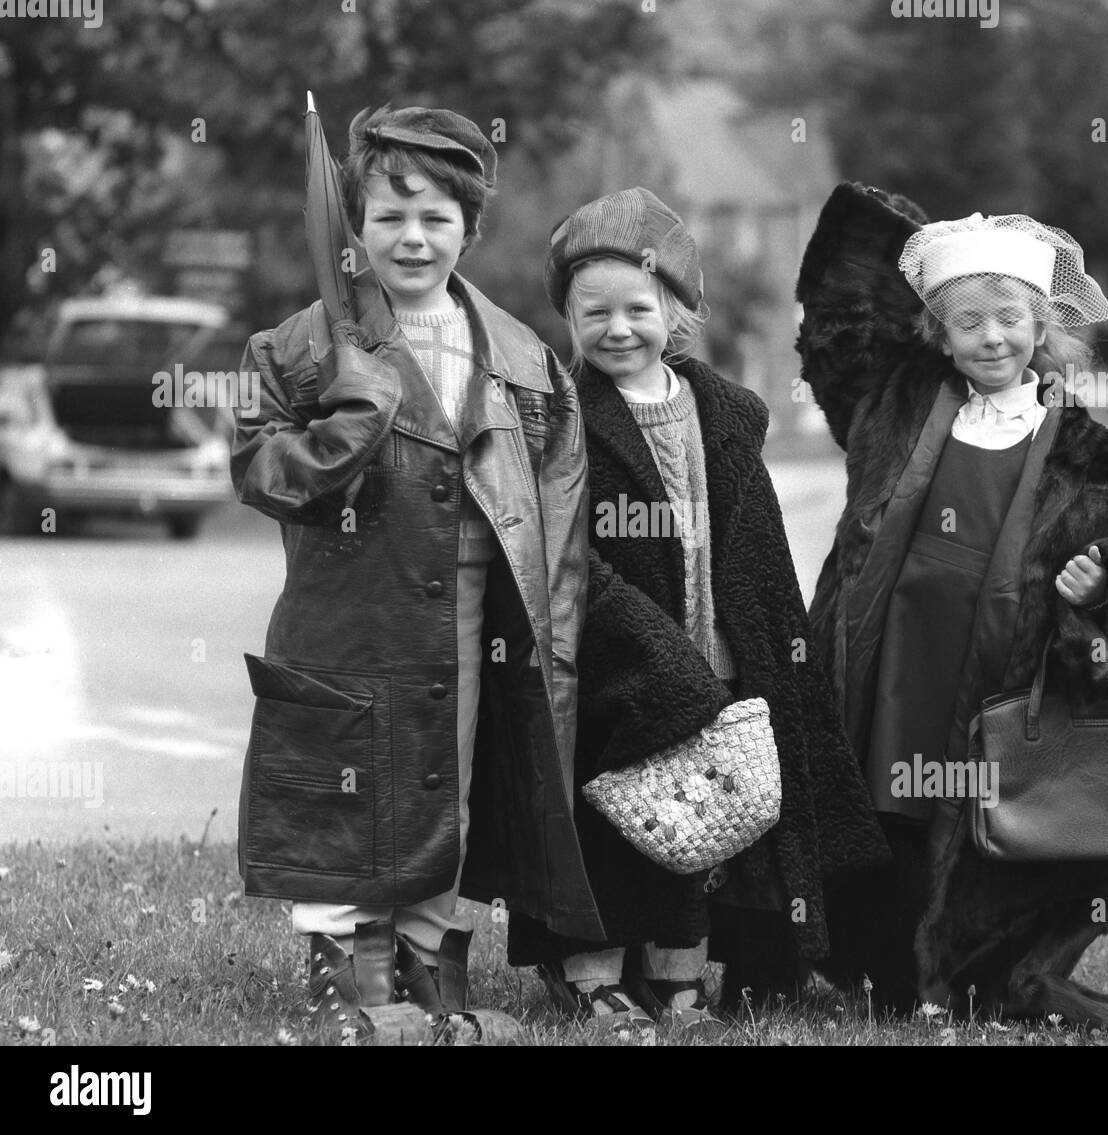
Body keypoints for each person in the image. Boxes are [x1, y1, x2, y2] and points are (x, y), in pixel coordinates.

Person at [230, 105, 601, 1037]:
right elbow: (262, 473)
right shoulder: (296, 349)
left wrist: (553, 647)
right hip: (346, 619)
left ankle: (431, 964)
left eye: (437, 216)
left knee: (450, 784)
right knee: (340, 789)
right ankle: (344, 976)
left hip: (472, 619)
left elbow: (559, 515)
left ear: (471, 229)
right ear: (355, 224)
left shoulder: (523, 358)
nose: (412, 237)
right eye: (390, 216)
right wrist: (349, 417)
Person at [506, 187, 889, 1027]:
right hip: (607, 666)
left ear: (677, 310)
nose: (617, 327)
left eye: (638, 307)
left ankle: (678, 973)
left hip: (711, 653)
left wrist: (772, 660)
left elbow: (758, 561)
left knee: (692, 819)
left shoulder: (723, 415)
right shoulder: (559, 418)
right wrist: (636, 640)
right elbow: (561, 555)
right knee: (603, 817)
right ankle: (593, 972)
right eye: (593, 310)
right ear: (568, 316)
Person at [796, 184, 1108, 1027]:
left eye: (1008, 317)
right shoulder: (895, 406)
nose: (991, 336)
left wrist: (1093, 600)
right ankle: (884, 964)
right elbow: (838, 326)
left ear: (1043, 326)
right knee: (891, 802)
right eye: (968, 321)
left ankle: (992, 969)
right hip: (898, 655)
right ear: (940, 333)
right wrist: (886, 224)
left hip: (1002, 673)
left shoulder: (1091, 464)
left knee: (980, 818)